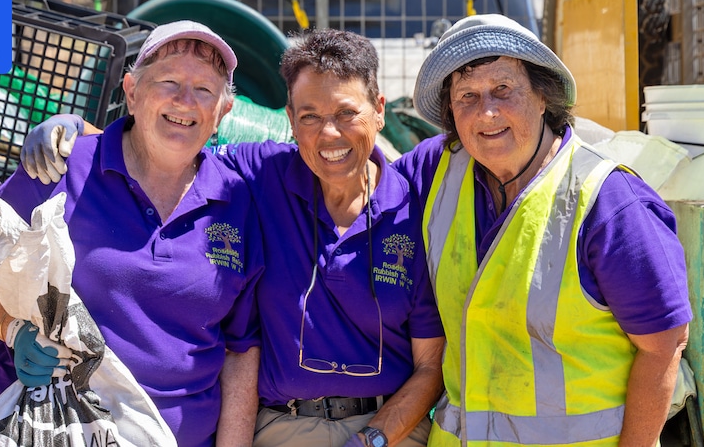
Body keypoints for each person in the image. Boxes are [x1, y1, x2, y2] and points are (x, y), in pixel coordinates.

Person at [22, 28, 445, 447]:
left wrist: (371, 440)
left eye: (346, 113)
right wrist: (78, 132)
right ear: (291, 121)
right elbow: (173, 143)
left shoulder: (414, 209)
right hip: (285, 426)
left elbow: (431, 365)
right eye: (310, 116)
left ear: (379, 111)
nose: (329, 134)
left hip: (387, 429)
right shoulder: (262, 173)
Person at [0, 20, 264, 447]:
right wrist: (11, 330)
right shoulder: (60, 167)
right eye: (168, 82)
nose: (184, 101)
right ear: (131, 92)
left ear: (223, 112)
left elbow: (239, 349)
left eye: (204, 90)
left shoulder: (236, 199)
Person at [392, 14, 693, 446]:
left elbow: (663, 346)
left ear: (541, 97)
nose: (487, 112)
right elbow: (356, 183)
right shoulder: (437, 171)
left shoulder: (608, 201)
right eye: (467, 97)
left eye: (503, 90)